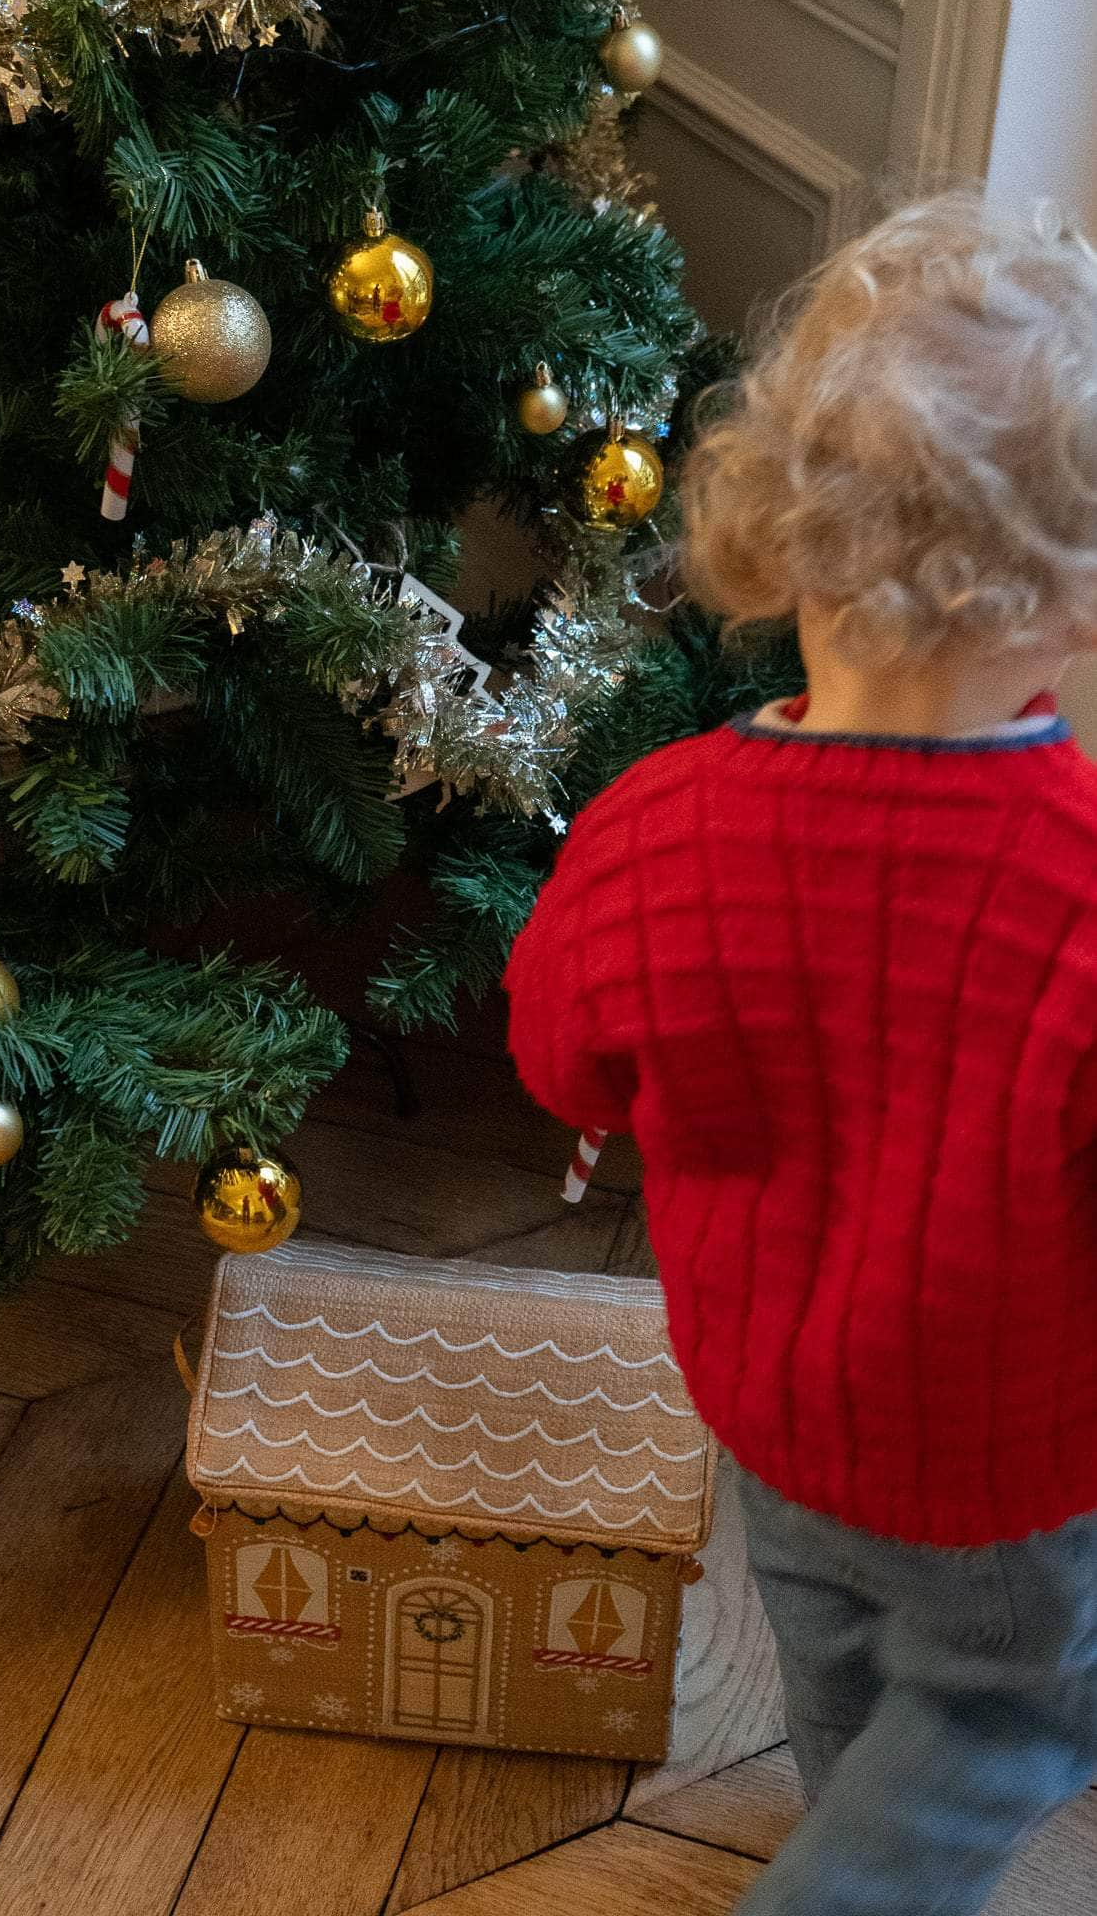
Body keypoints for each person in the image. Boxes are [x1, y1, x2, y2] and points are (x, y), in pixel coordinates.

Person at [504, 191, 1097, 1915]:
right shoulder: (1075, 886)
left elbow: (564, 1061)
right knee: (1017, 1710)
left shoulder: (651, 828)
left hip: (768, 1410)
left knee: (842, 1683)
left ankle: (860, 1853)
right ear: (1066, 599)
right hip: (1006, 1462)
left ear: (780, 523)